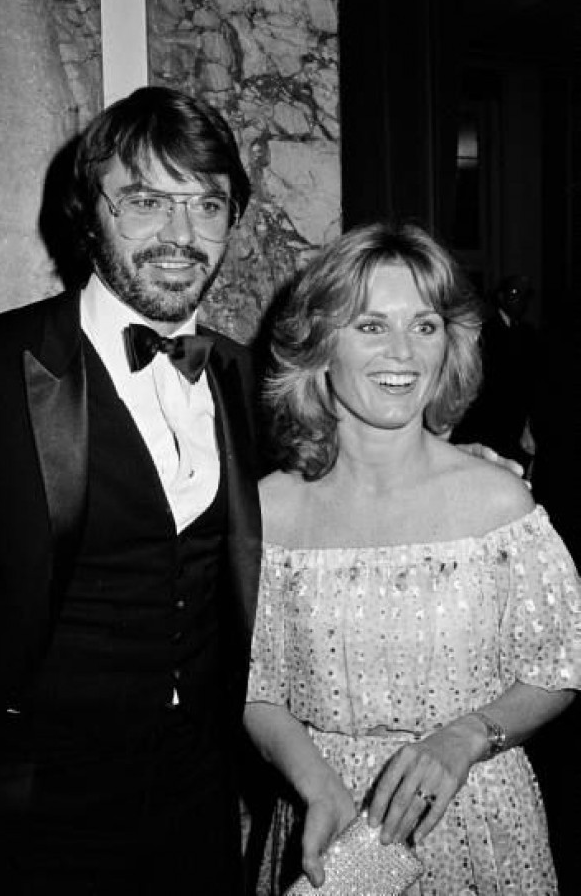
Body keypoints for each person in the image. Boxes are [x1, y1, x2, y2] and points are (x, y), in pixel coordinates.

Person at [0, 86, 261, 895]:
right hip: (26, 818)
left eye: (208, 204)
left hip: (200, 804)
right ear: (89, 211)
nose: (182, 234)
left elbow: (339, 472)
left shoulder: (244, 376)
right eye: (146, 201)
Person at [244, 222, 580, 895]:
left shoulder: (498, 500)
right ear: (320, 343)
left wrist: (466, 737)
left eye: (424, 326)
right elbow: (253, 687)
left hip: (474, 817)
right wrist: (317, 783)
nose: (403, 351)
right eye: (372, 325)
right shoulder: (266, 511)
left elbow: (560, 662)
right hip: (326, 815)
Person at [451, 273, 540, 474]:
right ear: (501, 297)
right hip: (491, 425)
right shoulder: (486, 332)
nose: (520, 300)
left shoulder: (528, 333)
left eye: (524, 295)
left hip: (517, 424)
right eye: (514, 293)